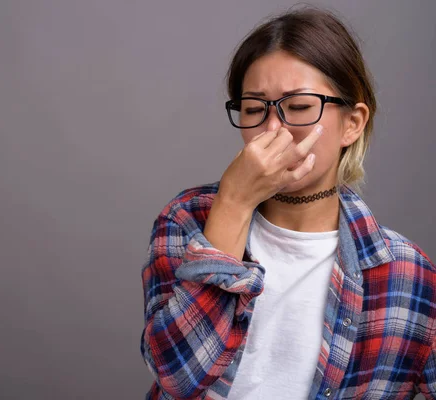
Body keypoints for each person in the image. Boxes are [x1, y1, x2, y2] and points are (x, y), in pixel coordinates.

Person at [139, 7, 436, 400]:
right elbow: (178, 378)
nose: (273, 129)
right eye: (254, 109)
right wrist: (233, 203)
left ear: (352, 123)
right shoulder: (188, 219)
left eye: (298, 107)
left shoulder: (406, 273)